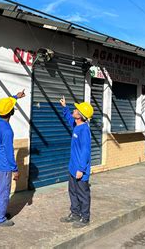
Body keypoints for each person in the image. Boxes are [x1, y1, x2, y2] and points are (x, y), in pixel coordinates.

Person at [0, 89, 26, 227]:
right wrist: (15, 169)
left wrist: (16, 97)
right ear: (11, 112)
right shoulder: (7, 130)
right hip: (4, 165)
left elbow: (5, 105)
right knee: (3, 191)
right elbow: (9, 152)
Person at [59, 95, 94, 228]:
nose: (74, 110)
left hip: (80, 170)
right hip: (72, 167)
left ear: (80, 116)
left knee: (83, 194)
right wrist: (64, 107)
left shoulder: (84, 130)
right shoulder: (76, 125)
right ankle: (75, 213)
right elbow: (69, 118)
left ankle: (85, 218)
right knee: (72, 191)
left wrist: (81, 169)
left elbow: (86, 151)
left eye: (76, 110)